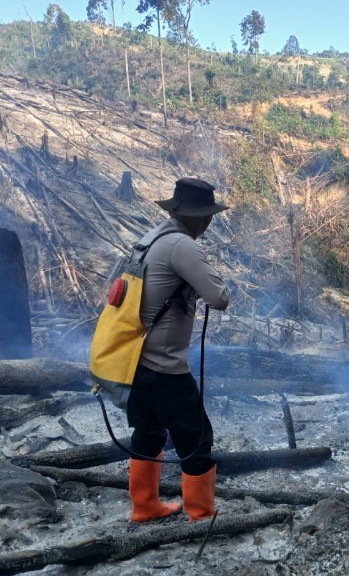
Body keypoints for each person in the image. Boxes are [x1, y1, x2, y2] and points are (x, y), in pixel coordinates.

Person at [126, 178, 230, 523]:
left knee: (148, 432)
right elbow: (220, 298)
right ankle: (201, 516)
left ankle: (145, 507)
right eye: (209, 215)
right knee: (197, 439)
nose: (210, 222)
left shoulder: (151, 239)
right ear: (201, 217)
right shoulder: (183, 246)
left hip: (135, 360)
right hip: (165, 366)